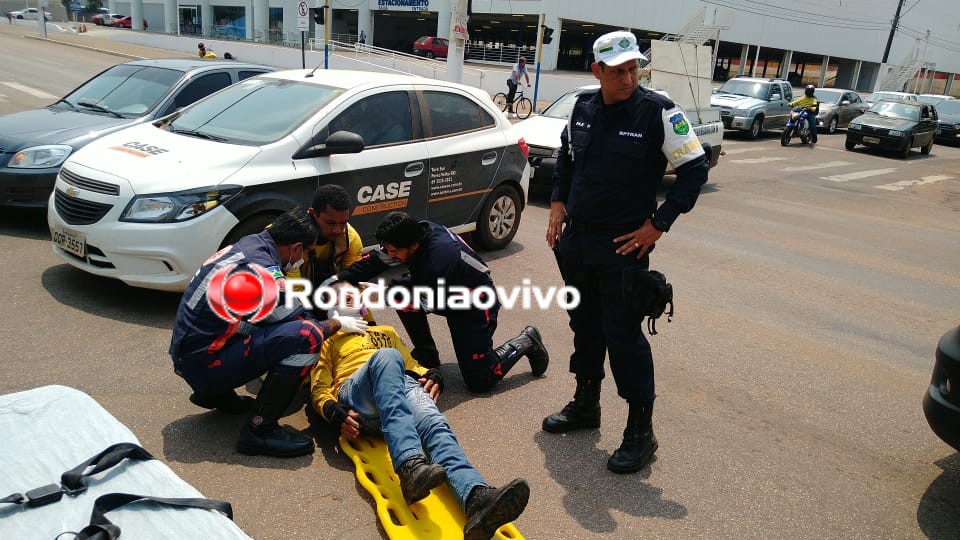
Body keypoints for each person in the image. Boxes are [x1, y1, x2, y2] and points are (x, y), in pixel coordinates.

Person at [543, 30, 709, 474]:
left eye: (635, 68)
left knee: (622, 335)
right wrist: (557, 202)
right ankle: (586, 405)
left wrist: (658, 224)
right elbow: (567, 158)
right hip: (577, 242)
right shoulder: (582, 107)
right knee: (584, 324)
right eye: (618, 71)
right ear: (597, 71)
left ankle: (641, 432)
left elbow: (695, 168)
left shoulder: (658, 112)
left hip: (622, 246)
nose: (629, 78)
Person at [309, 292, 530, 539]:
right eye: (338, 294)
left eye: (351, 291)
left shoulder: (386, 331)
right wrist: (332, 411)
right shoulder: (328, 341)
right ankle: (408, 465)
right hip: (359, 395)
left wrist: (433, 374)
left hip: (399, 386)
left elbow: (412, 366)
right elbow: (319, 388)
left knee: (434, 425)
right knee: (387, 357)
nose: (347, 294)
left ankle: (477, 499)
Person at [169, 207, 369, 458]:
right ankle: (259, 431)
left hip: (190, 355)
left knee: (271, 325)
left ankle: (216, 394)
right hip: (203, 365)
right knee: (307, 336)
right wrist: (337, 323)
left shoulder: (250, 245)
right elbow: (296, 319)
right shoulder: (263, 270)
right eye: (307, 253)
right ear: (296, 248)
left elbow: (279, 310)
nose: (305, 259)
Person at [330, 212, 549, 393]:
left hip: (474, 305)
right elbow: (377, 261)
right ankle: (427, 354)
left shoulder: (440, 259)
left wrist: (380, 294)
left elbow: (428, 298)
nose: (391, 255)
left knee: (481, 381)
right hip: (442, 289)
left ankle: (527, 341)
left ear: (412, 245)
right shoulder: (415, 232)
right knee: (400, 292)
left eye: (395, 251)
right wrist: (337, 280)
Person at [287, 184, 363, 288]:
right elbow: (294, 292)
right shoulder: (292, 238)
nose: (337, 230)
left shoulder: (350, 239)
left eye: (343, 223)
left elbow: (354, 279)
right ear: (313, 213)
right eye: (330, 223)